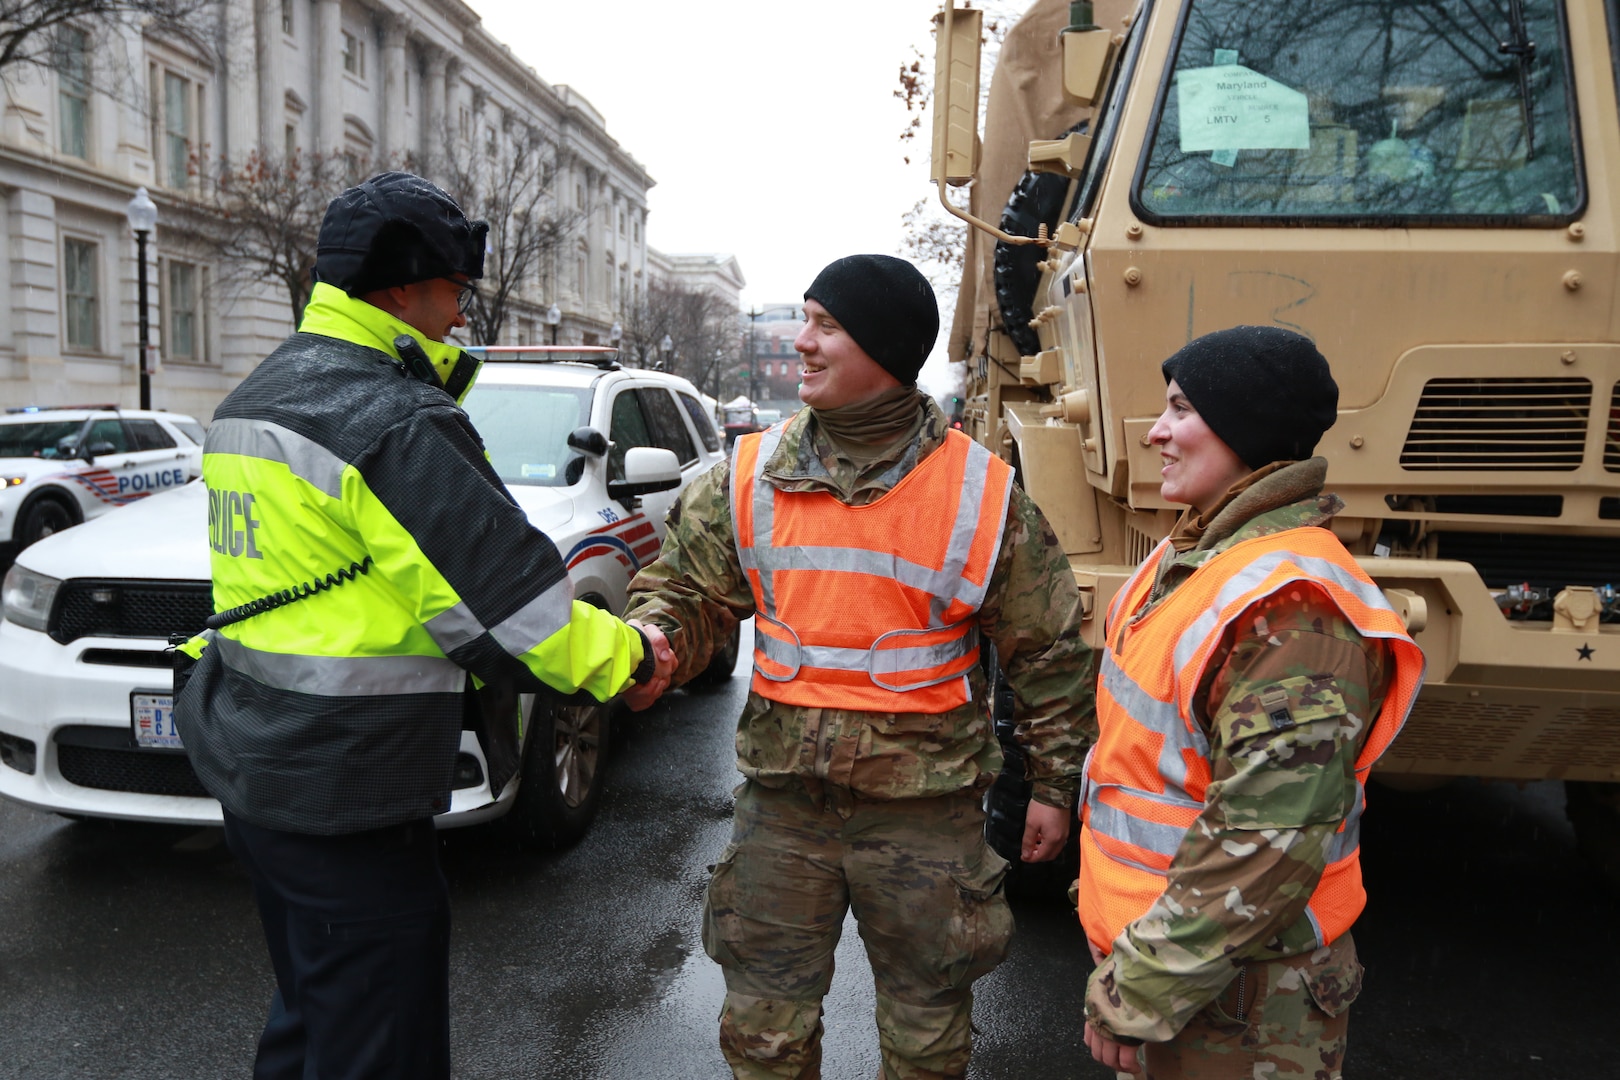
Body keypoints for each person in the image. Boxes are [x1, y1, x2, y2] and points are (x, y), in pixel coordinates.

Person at [173, 171, 674, 1080]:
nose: (460, 314)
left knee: (313, 1021)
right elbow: (519, 617)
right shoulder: (390, 416)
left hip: (260, 771)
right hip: (348, 793)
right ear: (405, 287)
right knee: (378, 1050)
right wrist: (632, 653)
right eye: (454, 291)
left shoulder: (257, 396)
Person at [622, 253, 1095, 1079]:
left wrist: (1053, 788)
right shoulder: (749, 474)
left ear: (884, 346)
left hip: (925, 815)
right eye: (803, 321)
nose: (801, 343)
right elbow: (687, 593)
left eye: (826, 326)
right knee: (764, 1037)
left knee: (926, 1042)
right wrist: (655, 641)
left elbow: (1046, 651)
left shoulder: (980, 492)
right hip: (784, 809)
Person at [1077, 326, 1427, 1078]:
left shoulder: (1292, 608)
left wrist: (1139, 989)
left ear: (1244, 430)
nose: (1158, 431)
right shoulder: (1200, 558)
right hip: (1201, 973)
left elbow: (1266, 844)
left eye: (1180, 408)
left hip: (1244, 999)